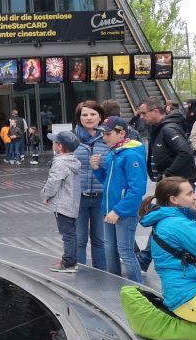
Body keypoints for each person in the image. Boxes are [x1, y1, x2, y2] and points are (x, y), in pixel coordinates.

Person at [139, 176, 196, 324]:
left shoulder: (169, 220)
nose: (195, 197)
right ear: (174, 199)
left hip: (185, 293)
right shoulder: (177, 224)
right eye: (189, 193)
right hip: (191, 298)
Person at [90, 116, 147, 283]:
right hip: (110, 210)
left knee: (125, 252)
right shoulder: (114, 153)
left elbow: (137, 189)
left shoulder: (130, 154)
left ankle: (138, 288)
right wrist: (96, 169)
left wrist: (119, 211)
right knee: (110, 250)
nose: (104, 137)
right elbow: (108, 182)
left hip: (123, 212)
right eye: (103, 134)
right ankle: (115, 284)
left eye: (108, 134)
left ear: (121, 134)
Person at [72, 101, 109, 270]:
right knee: (79, 239)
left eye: (93, 114)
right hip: (78, 197)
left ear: (100, 117)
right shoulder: (71, 138)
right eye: (84, 114)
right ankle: (79, 272)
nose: (89, 118)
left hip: (102, 197)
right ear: (79, 118)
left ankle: (101, 273)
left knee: (100, 240)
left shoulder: (108, 138)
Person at [42, 130, 83, 274]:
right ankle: (70, 259)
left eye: (54, 142)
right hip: (71, 202)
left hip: (63, 204)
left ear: (59, 146)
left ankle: (69, 263)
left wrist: (45, 195)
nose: (52, 144)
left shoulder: (60, 163)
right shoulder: (72, 160)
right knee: (70, 233)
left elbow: (53, 182)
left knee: (68, 234)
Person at [138, 99, 196, 185]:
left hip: (176, 184)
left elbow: (186, 152)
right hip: (169, 182)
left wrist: (167, 174)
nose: (141, 117)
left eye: (143, 113)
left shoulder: (168, 129)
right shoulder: (156, 127)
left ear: (155, 111)